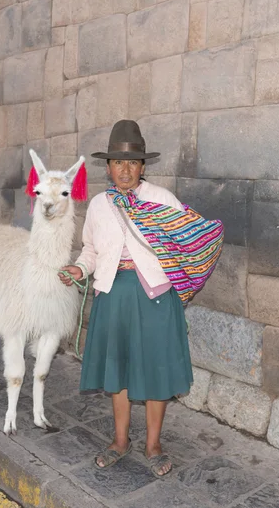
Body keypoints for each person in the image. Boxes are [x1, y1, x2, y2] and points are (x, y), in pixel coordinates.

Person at [59, 120, 193, 478]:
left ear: (143, 166)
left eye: (132, 162)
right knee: (116, 368)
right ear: (108, 167)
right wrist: (79, 270)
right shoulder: (101, 205)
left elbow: (185, 244)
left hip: (155, 297)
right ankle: (120, 440)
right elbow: (91, 249)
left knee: (155, 368)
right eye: (118, 162)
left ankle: (153, 444)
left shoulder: (162, 200)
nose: (125, 169)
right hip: (112, 295)